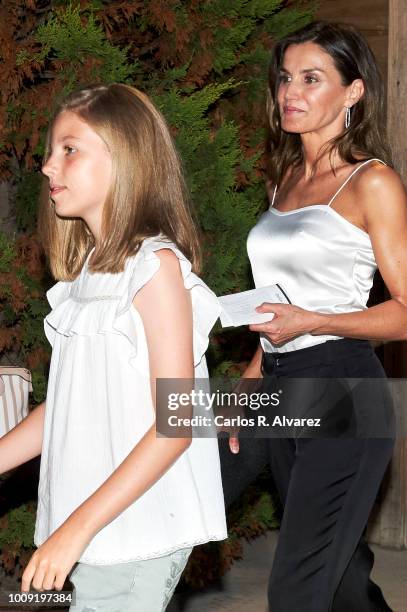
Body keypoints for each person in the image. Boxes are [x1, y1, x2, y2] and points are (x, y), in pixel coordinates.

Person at [0, 83, 227, 611]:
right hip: (96, 525)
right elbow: (69, 406)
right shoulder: (87, 273)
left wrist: (74, 530)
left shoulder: (155, 269)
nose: (48, 167)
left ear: (124, 157)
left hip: (134, 530)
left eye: (69, 149)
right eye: (51, 151)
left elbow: (177, 426)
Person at [220, 21, 407, 612]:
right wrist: (245, 392)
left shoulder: (371, 180)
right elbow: (277, 305)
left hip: (342, 389)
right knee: (344, 579)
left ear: (353, 93)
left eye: (311, 78)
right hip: (276, 381)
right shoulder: (285, 180)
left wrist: (312, 321)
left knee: (297, 588)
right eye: (284, 78)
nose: (289, 92)